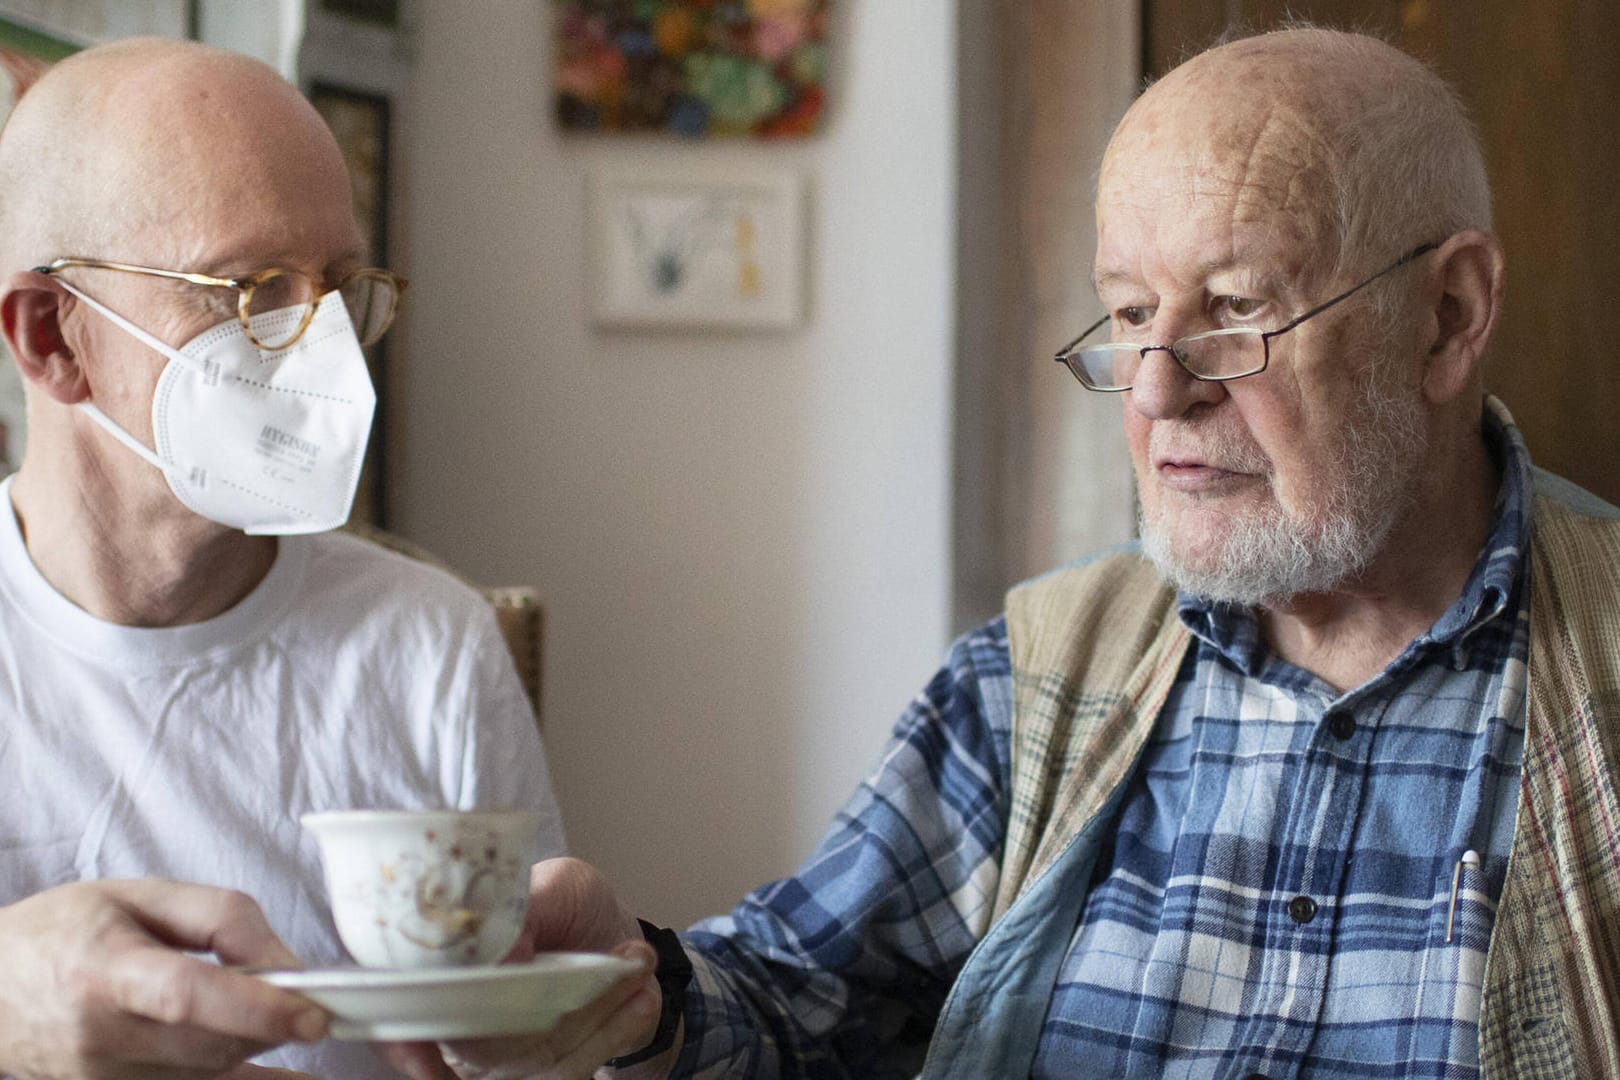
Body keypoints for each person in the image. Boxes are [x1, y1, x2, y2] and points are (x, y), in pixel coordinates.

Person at [435, 25, 1620, 1080]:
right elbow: (796, 996)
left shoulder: (1596, 662)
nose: (1158, 389)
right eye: (1131, 312)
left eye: (1240, 306)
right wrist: (637, 993)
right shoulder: (1046, 669)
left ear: (1450, 316)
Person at [0, 38, 592, 1080]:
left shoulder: (429, 647)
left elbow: (531, 1051)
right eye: (253, 288)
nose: (325, 352)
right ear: (53, 337)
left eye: (342, 286)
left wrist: (585, 1033)